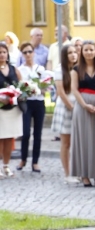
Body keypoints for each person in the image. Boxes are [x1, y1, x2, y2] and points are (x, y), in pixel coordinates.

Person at [70, 40, 95, 186]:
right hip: (83, 106)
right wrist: (85, 105)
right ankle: (84, 175)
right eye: (86, 50)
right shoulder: (76, 69)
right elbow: (74, 90)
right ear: (81, 52)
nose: (89, 52)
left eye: (91, 50)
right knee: (83, 139)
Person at [16, 41, 49, 173]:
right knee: (25, 133)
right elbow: (19, 87)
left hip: (39, 102)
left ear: (34, 53)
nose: (28, 54)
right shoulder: (20, 70)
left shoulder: (40, 69)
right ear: (22, 54)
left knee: (38, 133)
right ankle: (23, 159)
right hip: (27, 102)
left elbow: (46, 86)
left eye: (30, 51)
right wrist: (26, 90)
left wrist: (43, 88)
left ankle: (35, 162)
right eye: (25, 52)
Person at [51, 44, 79, 181]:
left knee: (77, 142)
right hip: (66, 107)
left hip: (78, 105)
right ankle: (67, 173)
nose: (73, 55)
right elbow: (61, 92)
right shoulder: (59, 70)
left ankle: (78, 171)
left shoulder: (78, 69)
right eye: (70, 53)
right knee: (66, 142)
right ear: (64, 55)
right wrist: (73, 108)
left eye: (75, 52)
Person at [0, 42, 23, 178]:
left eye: (4, 52)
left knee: (9, 138)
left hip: (13, 108)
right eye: (0, 52)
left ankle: (6, 166)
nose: (2, 55)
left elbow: (21, 86)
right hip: (0, 109)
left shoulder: (14, 69)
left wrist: (19, 93)